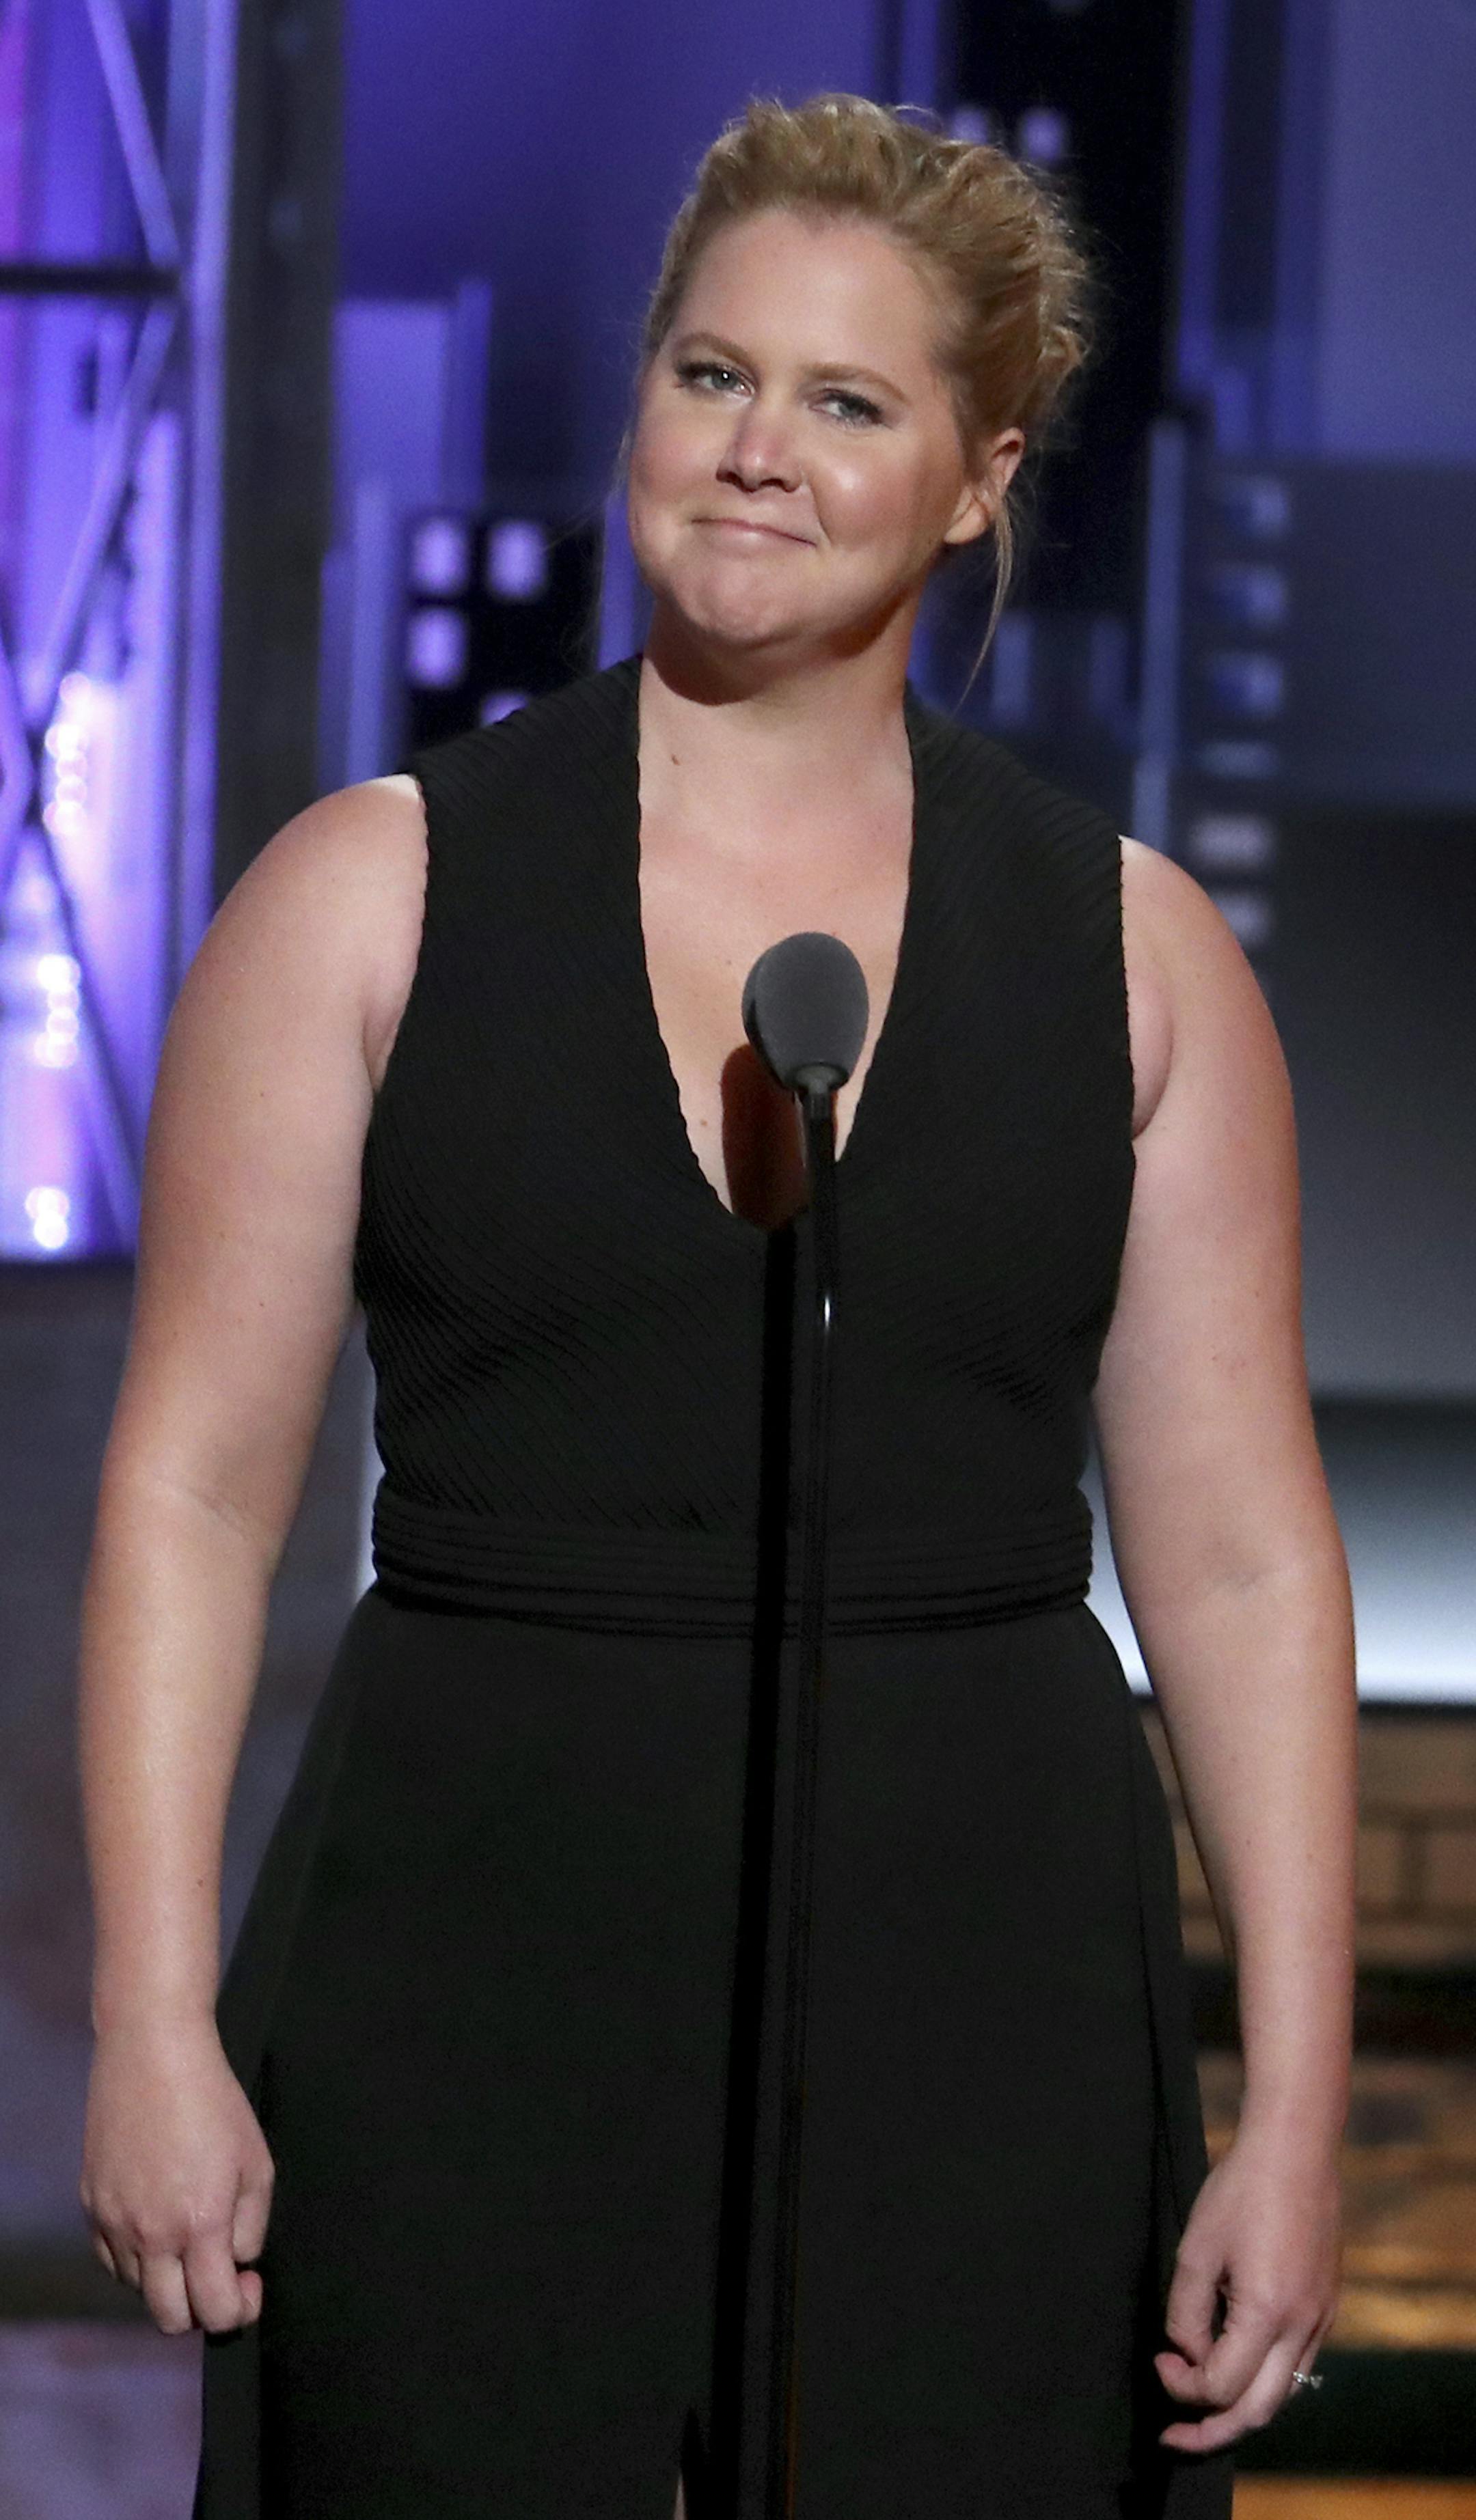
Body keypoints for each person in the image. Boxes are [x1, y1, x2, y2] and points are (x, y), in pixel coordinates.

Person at [78, 93, 1356, 2520]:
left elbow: (1248, 1560)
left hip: (981, 1980)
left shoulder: (1140, 956)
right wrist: (148, 2017)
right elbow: (195, 1484)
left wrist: (1296, 2103)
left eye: (848, 403)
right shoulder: (370, 896)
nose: (757, 452)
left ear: (979, 479)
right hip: (474, 1938)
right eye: (710, 375)